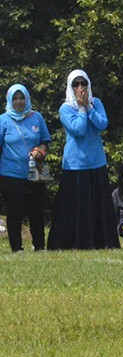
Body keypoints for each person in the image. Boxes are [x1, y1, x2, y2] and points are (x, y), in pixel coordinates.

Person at [48, 70, 118, 250]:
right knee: (75, 209)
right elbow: (78, 129)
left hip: (96, 163)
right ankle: (73, 243)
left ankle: (102, 242)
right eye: (76, 84)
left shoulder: (96, 103)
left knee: (98, 207)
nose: (80, 88)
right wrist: (81, 108)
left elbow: (102, 124)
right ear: (70, 87)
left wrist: (88, 107)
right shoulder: (65, 109)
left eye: (83, 84)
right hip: (75, 166)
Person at [0, 84, 52, 252]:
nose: (19, 101)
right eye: (15, 98)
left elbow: (45, 142)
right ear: (9, 100)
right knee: (15, 212)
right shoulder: (3, 120)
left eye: (22, 98)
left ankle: (39, 247)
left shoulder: (36, 117)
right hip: (10, 174)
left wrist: (40, 151)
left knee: (36, 210)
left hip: (34, 174)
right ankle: (17, 249)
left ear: (27, 99)